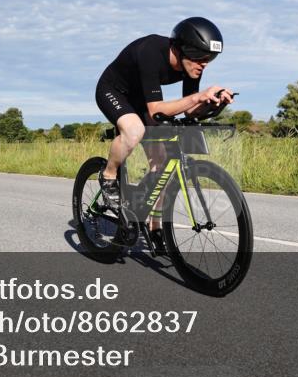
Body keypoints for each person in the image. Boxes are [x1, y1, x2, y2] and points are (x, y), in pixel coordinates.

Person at [95, 17, 234, 253]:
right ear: (181, 49)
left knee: (163, 163)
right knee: (134, 130)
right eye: (200, 57)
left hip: (142, 99)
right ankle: (108, 175)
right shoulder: (150, 51)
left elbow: (189, 110)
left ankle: (154, 225)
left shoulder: (193, 67)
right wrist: (197, 97)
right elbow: (156, 110)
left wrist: (212, 104)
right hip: (113, 91)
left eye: (209, 58)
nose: (204, 64)